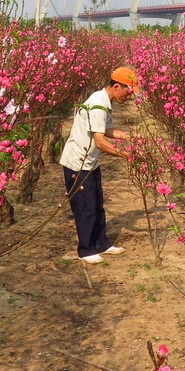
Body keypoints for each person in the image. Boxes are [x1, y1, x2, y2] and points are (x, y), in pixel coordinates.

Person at [59, 67, 138, 262]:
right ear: (117, 86)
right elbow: (101, 142)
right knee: (85, 207)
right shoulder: (97, 105)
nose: (129, 96)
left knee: (97, 204)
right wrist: (128, 155)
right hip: (78, 163)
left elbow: (107, 130)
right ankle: (86, 250)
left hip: (90, 162)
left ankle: (102, 243)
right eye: (128, 91)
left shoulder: (104, 102)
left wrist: (132, 137)